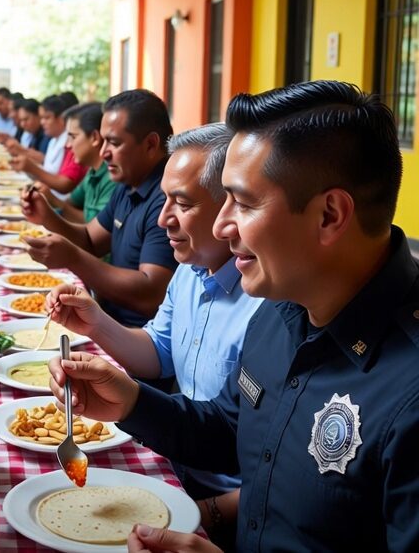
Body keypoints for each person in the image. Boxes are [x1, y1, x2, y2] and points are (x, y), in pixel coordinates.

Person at [49, 81, 419, 552]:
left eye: (242, 203)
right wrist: (130, 402)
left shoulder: (409, 390)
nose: (223, 226)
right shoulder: (282, 311)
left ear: (329, 215)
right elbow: (231, 432)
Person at [45, 123, 262, 541]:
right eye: (164, 200)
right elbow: (158, 353)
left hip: (222, 502)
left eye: (182, 203)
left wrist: (204, 514)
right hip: (171, 457)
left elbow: (265, 467)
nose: (164, 218)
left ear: (231, 208)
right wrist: (96, 323)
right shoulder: (190, 270)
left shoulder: (269, 303)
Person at [22, 89, 177, 328]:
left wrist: (73, 258)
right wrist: (47, 216)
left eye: (114, 142)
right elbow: (91, 240)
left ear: (151, 144)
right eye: (103, 141)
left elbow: (150, 293)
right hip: (106, 316)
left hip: (138, 336)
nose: (103, 152)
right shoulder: (129, 184)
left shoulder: (167, 199)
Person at [34, 103, 116, 224]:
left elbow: (95, 228)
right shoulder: (93, 171)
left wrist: (53, 200)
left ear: (94, 138)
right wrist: (44, 198)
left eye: (73, 137)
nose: (68, 145)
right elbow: (71, 203)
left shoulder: (113, 177)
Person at [10, 95, 87, 196]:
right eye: (42, 118)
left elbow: (64, 184)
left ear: (61, 118)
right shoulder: (53, 140)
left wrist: (31, 167)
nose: (42, 122)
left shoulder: (68, 142)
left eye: (47, 118)